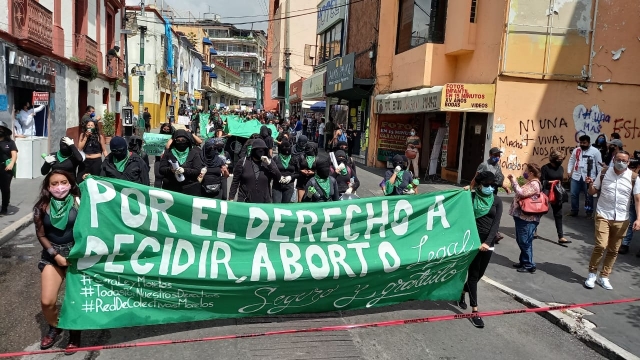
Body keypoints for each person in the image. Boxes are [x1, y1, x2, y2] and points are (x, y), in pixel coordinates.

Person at [33, 170, 82, 353]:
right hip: (53, 257)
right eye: (54, 183)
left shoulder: (79, 202)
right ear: (48, 186)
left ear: (70, 184)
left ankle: (75, 335)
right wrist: (55, 255)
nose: (59, 187)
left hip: (76, 257)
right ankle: (55, 326)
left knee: (75, 300)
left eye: (63, 182)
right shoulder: (42, 206)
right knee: (47, 301)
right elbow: (41, 234)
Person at [584, 151, 640, 290]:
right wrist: (590, 184)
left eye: (624, 160)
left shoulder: (634, 178)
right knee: (601, 245)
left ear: (628, 163)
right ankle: (592, 274)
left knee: (614, 250)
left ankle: (604, 276)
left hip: (622, 218)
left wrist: (638, 218)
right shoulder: (604, 173)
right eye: (618, 159)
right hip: (603, 214)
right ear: (614, 159)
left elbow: (637, 199)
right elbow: (593, 191)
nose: (620, 162)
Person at [458, 171, 502, 328]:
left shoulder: (496, 201)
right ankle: (475, 311)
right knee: (473, 274)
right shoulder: (470, 198)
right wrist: (465, 190)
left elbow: (496, 225)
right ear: (479, 185)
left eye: (492, 185)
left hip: (488, 242)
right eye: (487, 185)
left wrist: (487, 242)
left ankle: (462, 293)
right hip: (473, 242)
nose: (490, 187)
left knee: (479, 275)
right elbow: (459, 213)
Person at [508, 163, 543, 273]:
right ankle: (524, 261)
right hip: (522, 216)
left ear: (531, 173)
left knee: (525, 241)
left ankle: (529, 264)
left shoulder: (534, 184)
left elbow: (521, 193)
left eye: (526, 171)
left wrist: (514, 181)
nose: (525, 173)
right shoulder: (531, 183)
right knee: (521, 239)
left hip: (527, 218)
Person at [229, 139, 281, 203]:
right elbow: (235, 181)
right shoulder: (243, 162)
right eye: (258, 149)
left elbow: (278, 177)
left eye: (263, 149)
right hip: (245, 202)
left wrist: (269, 164)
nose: (261, 151)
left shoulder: (269, 162)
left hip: (264, 203)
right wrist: (231, 198)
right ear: (253, 150)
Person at [159, 130, 204, 196]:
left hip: (190, 188)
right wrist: (170, 170)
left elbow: (197, 170)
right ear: (174, 141)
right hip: (171, 188)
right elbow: (161, 169)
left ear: (187, 140)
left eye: (183, 140)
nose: (180, 142)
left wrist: (185, 170)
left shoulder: (194, 153)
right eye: (178, 140)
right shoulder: (168, 153)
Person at [567, 135, 602, 217]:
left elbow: (599, 165)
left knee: (589, 195)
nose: (582, 144)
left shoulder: (595, 151)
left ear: (589, 143)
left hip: (589, 177)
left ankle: (589, 212)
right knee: (573, 194)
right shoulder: (577, 150)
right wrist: (569, 171)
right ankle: (574, 210)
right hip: (576, 175)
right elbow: (572, 160)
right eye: (581, 143)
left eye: (584, 143)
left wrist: (600, 177)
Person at [540, 150, 570, 244]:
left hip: (557, 192)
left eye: (562, 159)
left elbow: (560, 180)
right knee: (540, 211)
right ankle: (533, 230)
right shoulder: (545, 168)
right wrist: (551, 182)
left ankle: (560, 236)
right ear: (553, 159)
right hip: (547, 191)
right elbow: (542, 181)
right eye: (559, 159)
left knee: (558, 214)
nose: (561, 161)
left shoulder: (561, 168)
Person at [0, 121, 18, 215]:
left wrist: (11, 163)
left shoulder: (10, 143)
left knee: (5, 189)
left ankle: (4, 207)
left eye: (1, 129)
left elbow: (14, 154)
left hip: (6, 168)